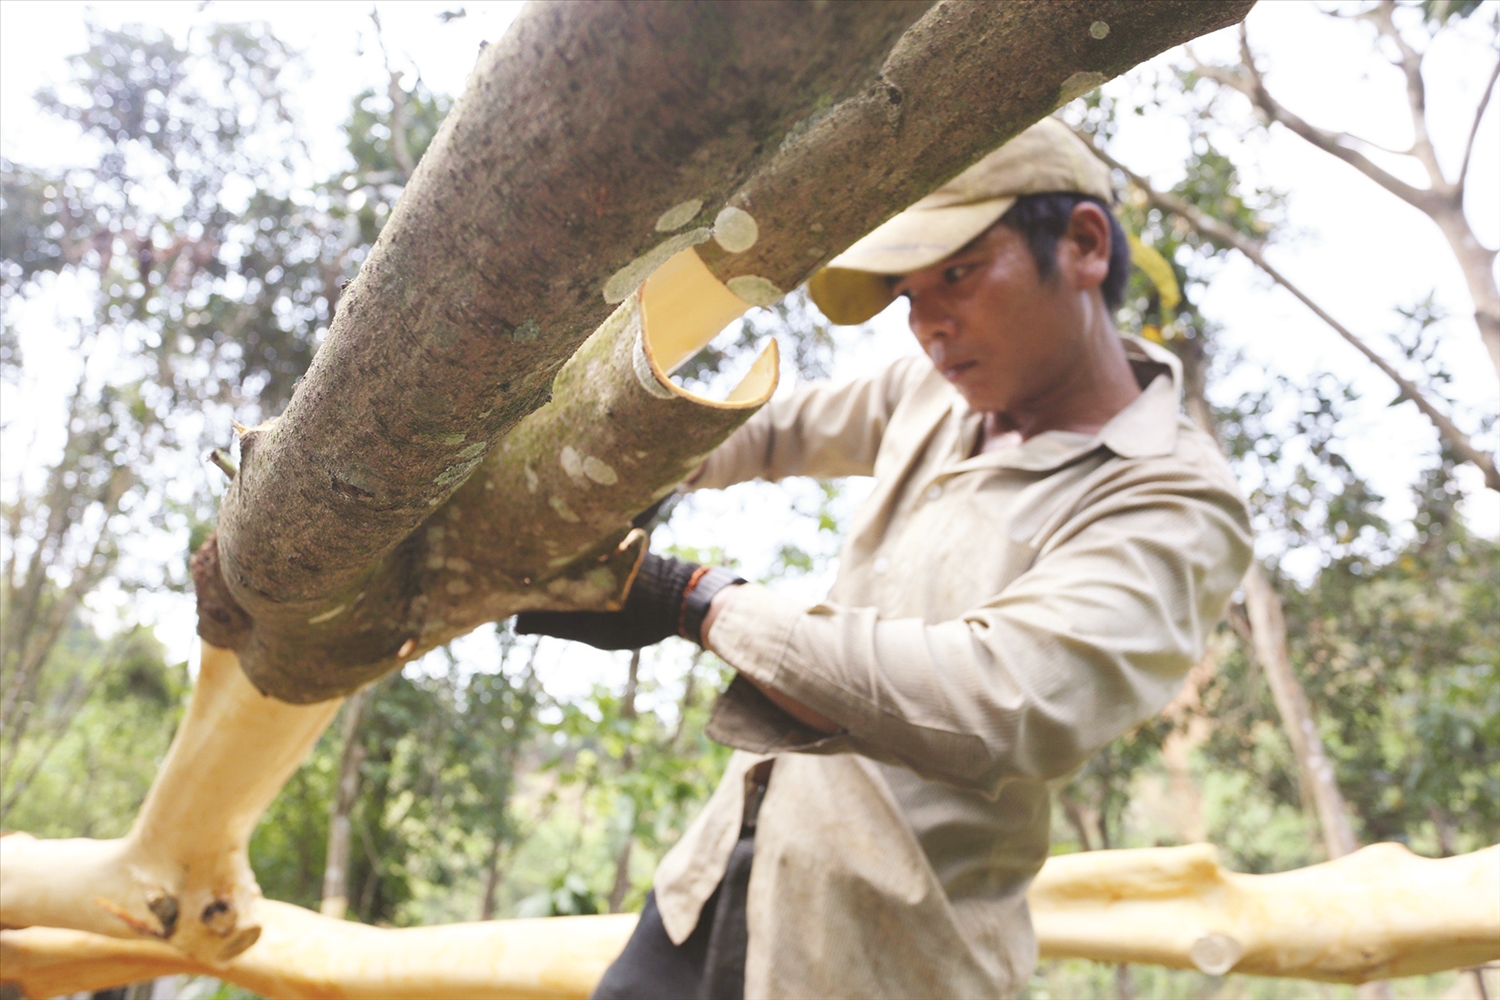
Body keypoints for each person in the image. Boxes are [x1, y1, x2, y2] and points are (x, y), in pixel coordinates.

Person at [517, 117, 1252, 1000]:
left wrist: (696, 602)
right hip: (715, 884)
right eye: (909, 295)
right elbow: (769, 433)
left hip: (886, 956)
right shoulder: (938, 393)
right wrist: (621, 467)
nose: (930, 326)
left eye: (958, 274)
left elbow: (994, 700)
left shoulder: (1171, 501)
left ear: (1085, 245)